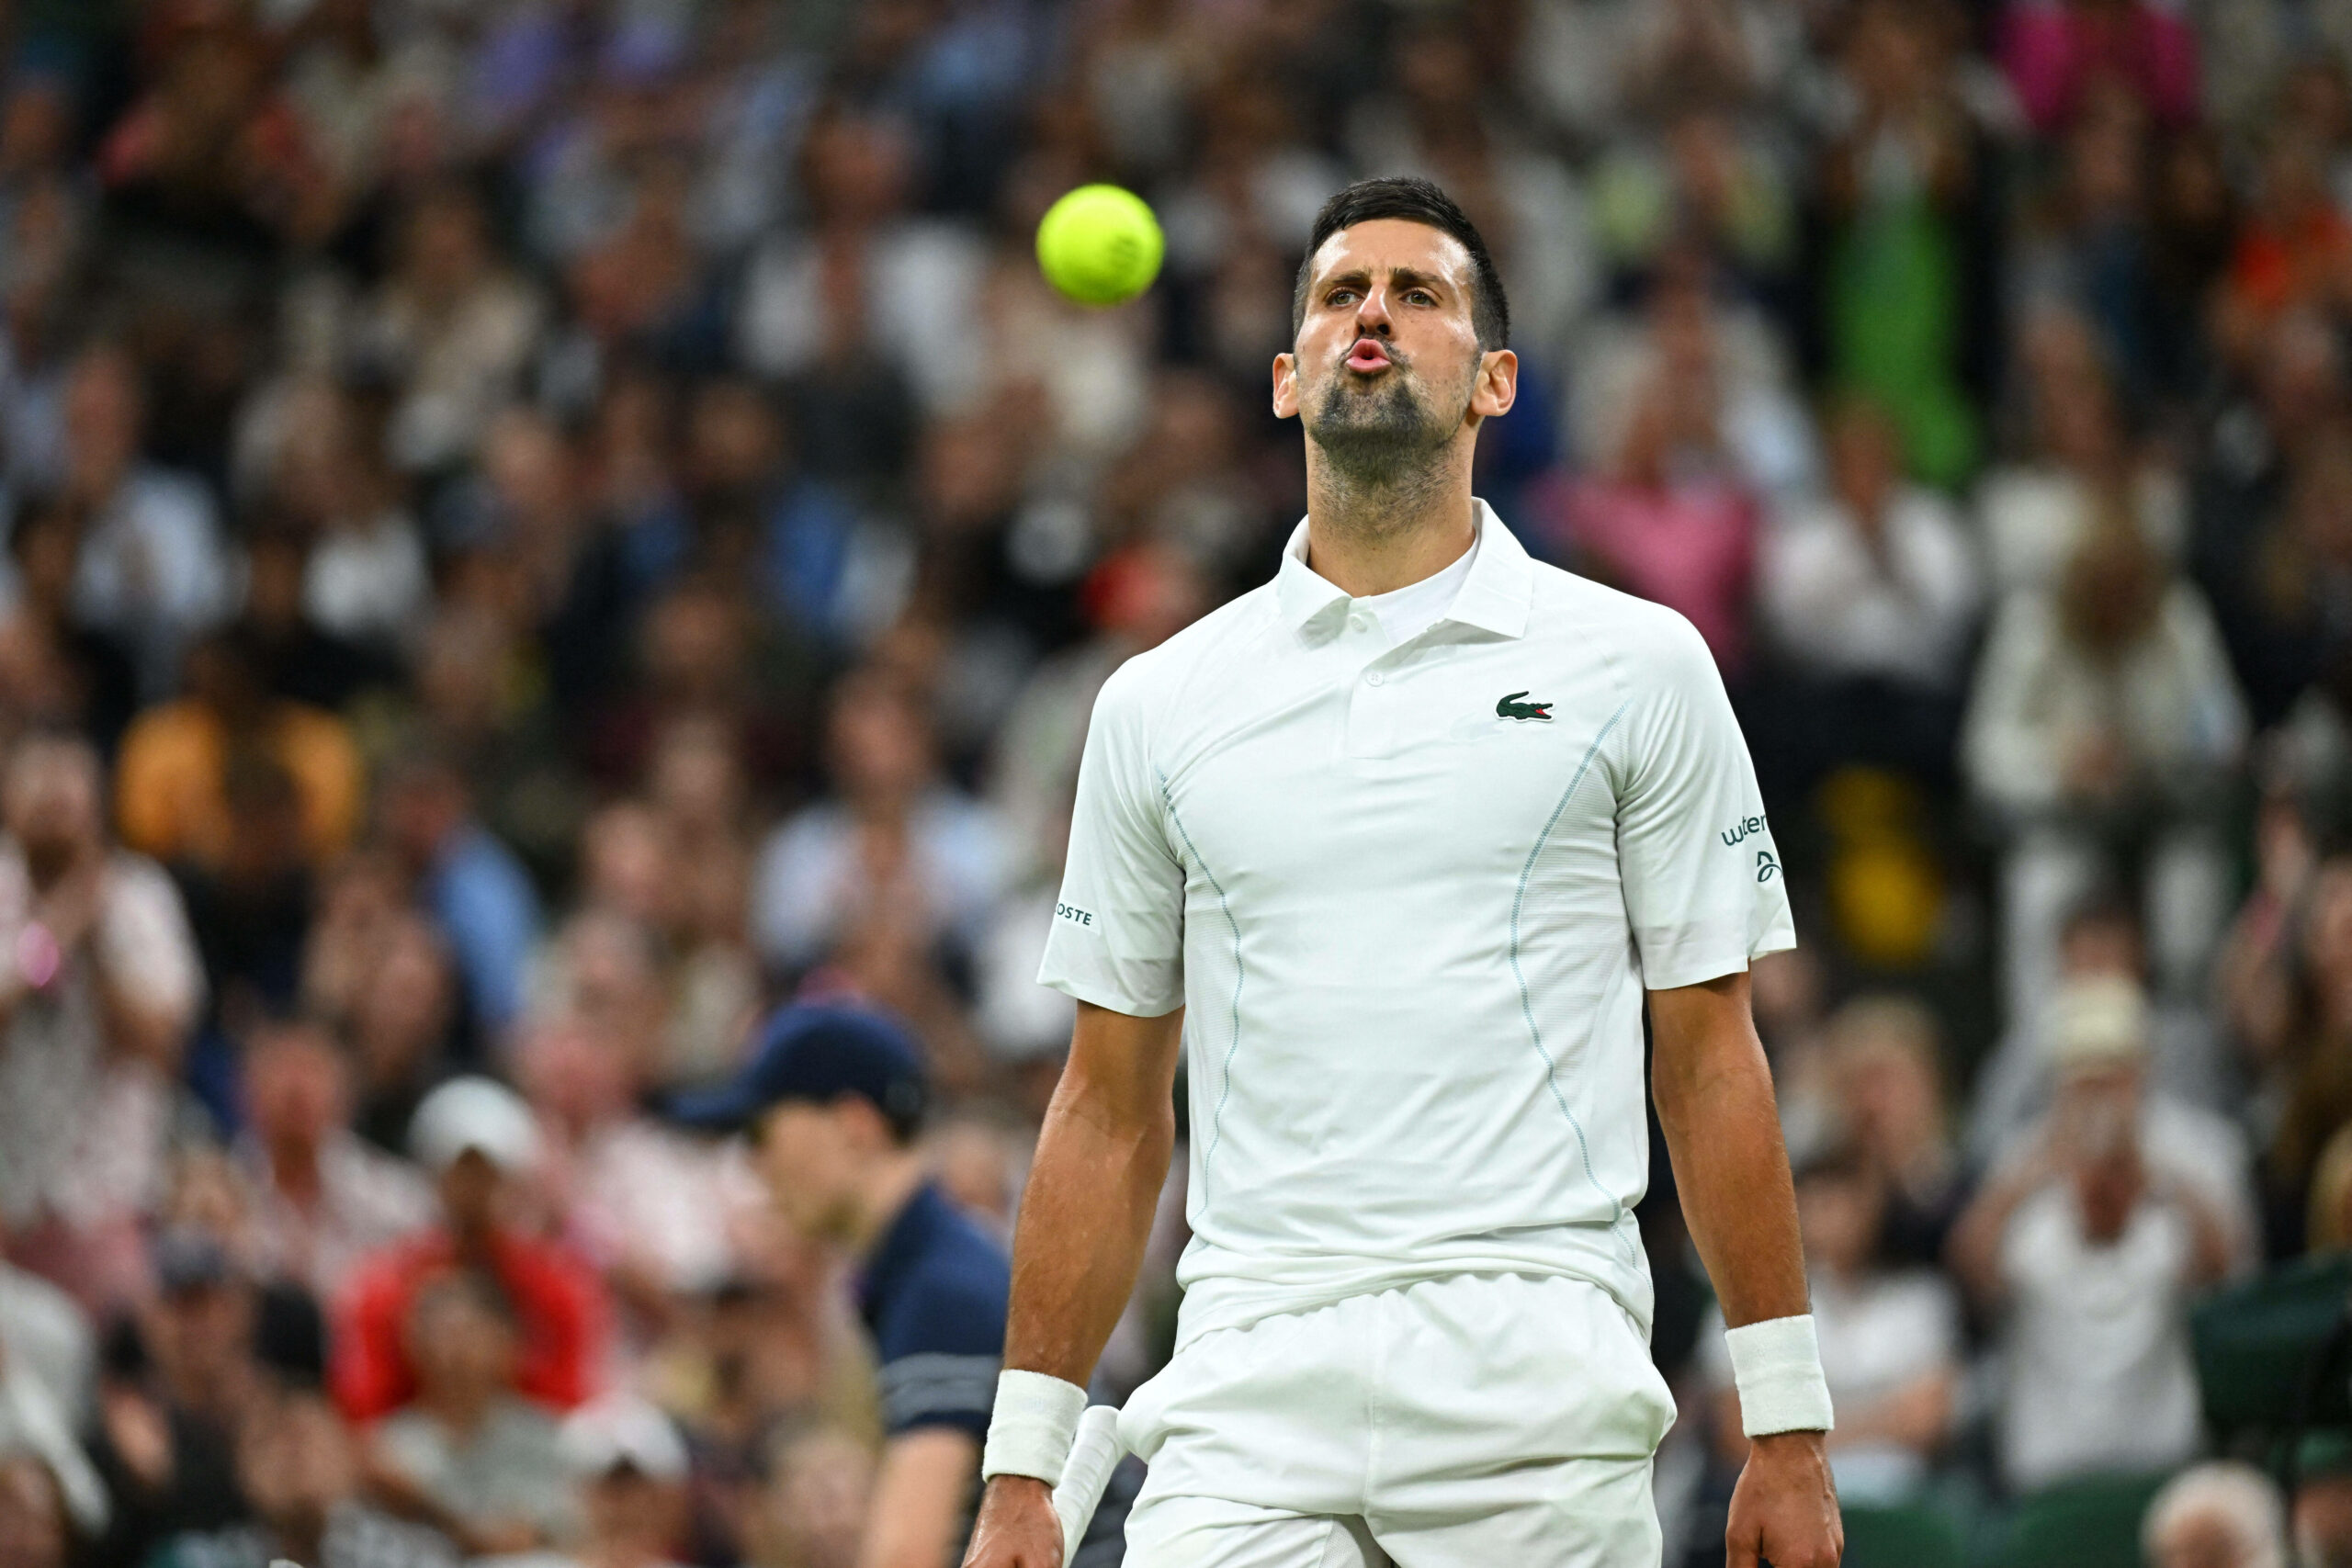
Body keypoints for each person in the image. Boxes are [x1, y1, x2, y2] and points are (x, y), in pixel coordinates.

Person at [966, 177, 1838, 1568]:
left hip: (1536, 1366)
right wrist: (1022, 1460)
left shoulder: (1641, 664)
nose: (1371, 312)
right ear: (1283, 377)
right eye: (1337, 294)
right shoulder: (1157, 703)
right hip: (1247, 1378)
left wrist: (1787, 1429)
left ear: (1495, 379)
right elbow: (1110, 1103)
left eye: (1418, 293)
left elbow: (1712, 1059)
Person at [675, 1005, 1009, 1568]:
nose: (755, 1165)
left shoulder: (939, 1291)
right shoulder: (935, 1265)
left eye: (763, 1132)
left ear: (856, 1122)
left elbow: (908, 1556)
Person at [330, 1077, 608, 1423]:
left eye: (487, 1173)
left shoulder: (558, 1285)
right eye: (461, 1171)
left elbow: (571, 1401)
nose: (474, 1187)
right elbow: (366, 1403)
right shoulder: (386, 1285)